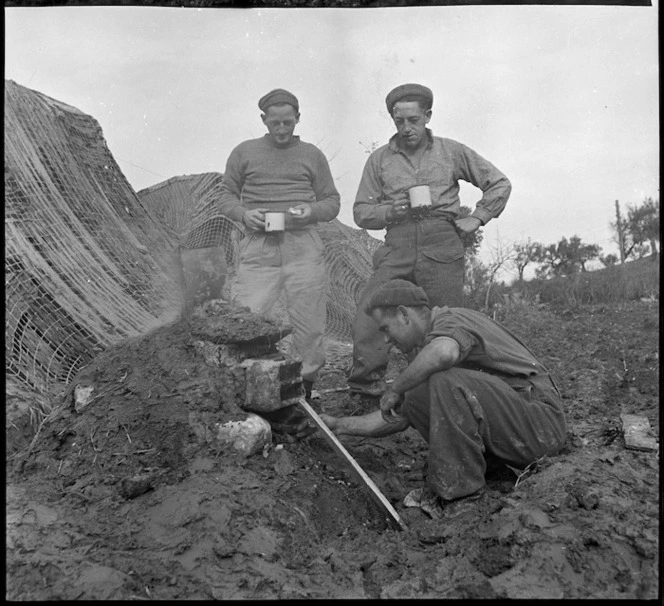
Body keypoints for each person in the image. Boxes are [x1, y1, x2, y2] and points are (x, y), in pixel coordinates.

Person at [320, 279, 566, 512]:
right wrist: (338, 426)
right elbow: (398, 416)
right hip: (525, 428)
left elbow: (443, 354)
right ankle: (490, 472)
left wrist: (396, 388)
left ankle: (463, 498)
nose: (386, 339)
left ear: (404, 315)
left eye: (386, 328)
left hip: (542, 425)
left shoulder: (450, 320)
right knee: (418, 393)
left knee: (441, 379)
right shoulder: (433, 341)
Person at [348, 83, 512, 399]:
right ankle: (366, 392)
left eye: (414, 120)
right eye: (400, 122)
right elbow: (361, 211)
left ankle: (451, 390)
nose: (407, 128)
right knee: (370, 312)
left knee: (447, 321)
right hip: (398, 244)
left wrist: (477, 217)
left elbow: (499, 183)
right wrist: (388, 211)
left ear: (427, 116)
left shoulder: (451, 151)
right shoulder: (380, 160)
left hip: (441, 243)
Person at [217, 88, 340, 397]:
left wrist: (310, 210)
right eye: (275, 123)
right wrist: (245, 215)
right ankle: (243, 390)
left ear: (298, 118)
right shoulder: (245, 151)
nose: (282, 130)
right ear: (264, 120)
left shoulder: (312, 154)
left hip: (303, 244)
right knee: (247, 316)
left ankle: (305, 393)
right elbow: (226, 196)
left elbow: (332, 202)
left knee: (309, 323)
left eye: (288, 122)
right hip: (259, 245)